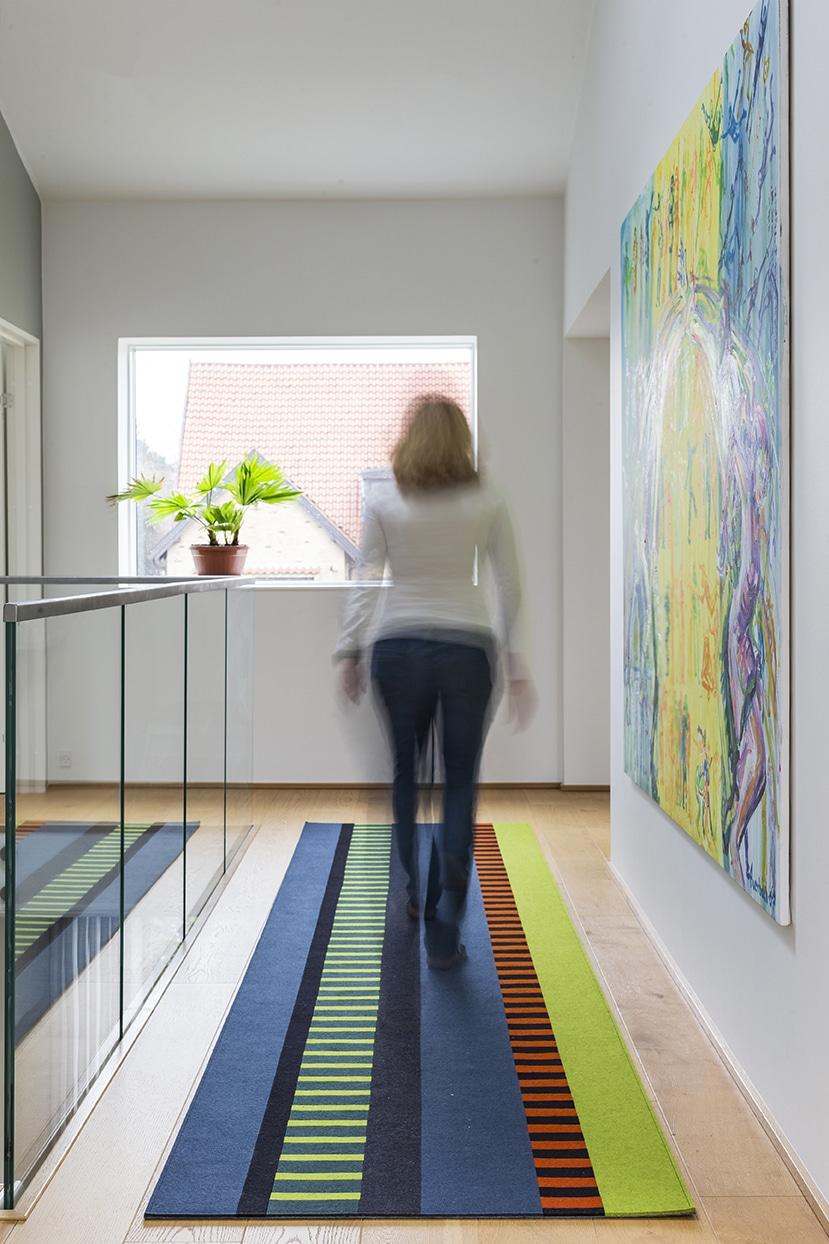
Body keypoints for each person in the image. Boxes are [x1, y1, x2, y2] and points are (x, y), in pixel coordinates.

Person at [334, 395, 534, 969]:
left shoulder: (384, 498)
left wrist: (350, 647)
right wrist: (511, 651)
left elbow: (367, 576)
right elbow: (510, 583)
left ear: (410, 438)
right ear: (461, 441)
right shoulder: (487, 498)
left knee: (405, 773)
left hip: (397, 648)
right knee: (459, 783)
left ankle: (416, 894)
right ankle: (445, 930)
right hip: (468, 650)